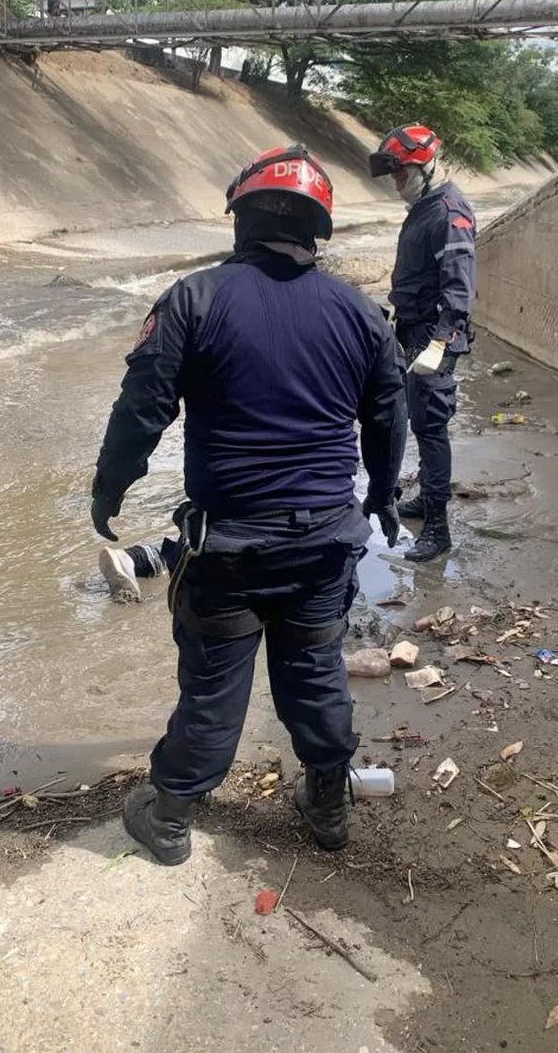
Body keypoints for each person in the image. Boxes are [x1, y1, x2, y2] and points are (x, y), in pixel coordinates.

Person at [91, 146, 406, 864]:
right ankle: (328, 806)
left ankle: (169, 817)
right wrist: (384, 496)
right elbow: (388, 416)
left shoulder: (192, 299)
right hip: (324, 543)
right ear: (315, 230)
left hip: (229, 547)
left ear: (240, 220)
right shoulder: (358, 313)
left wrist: (110, 487)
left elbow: (142, 406)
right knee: (316, 672)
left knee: (212, 687)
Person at [369, 124, 477, 562]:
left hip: (434, 334)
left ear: (427, 166)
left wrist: (441, 342)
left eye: (402, 172)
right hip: (412, 330)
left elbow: (460, 286)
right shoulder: (423, 207)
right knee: (416, 420)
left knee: (431, 428)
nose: (397, 181)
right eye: (393, 175)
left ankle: (438, 528)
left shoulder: (450, 212)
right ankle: (425, 502)